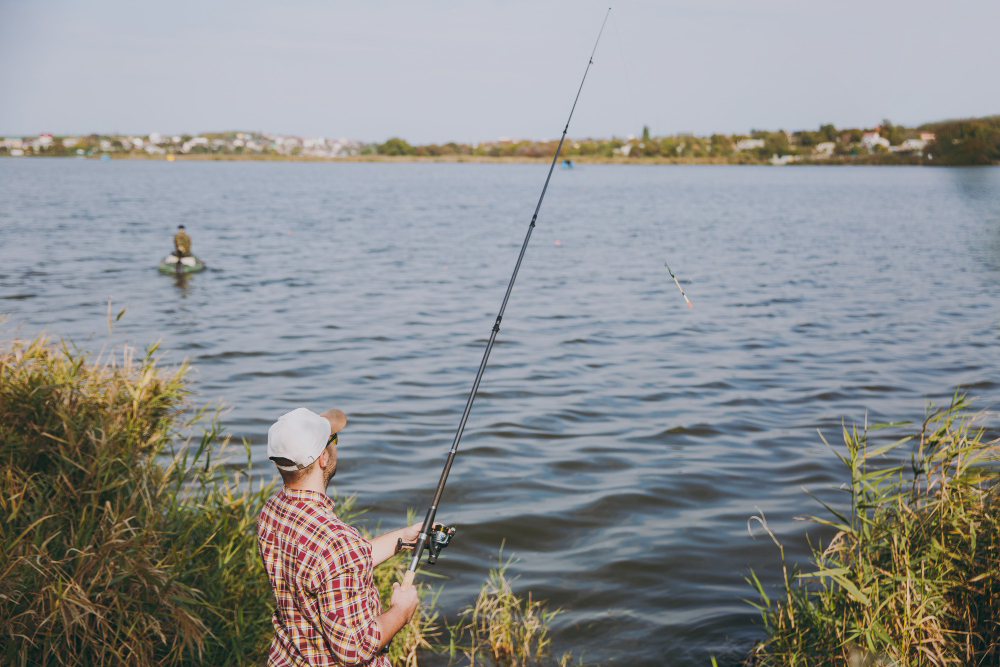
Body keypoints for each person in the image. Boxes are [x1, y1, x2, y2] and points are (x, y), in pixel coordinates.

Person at [256, 407, 421, 667]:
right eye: (333, 440)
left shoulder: (272, 511)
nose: (335, 446)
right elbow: (353, 649)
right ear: (323, 457)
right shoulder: (337, 543)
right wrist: (401, 610)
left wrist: (402, 537)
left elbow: (331, 565)